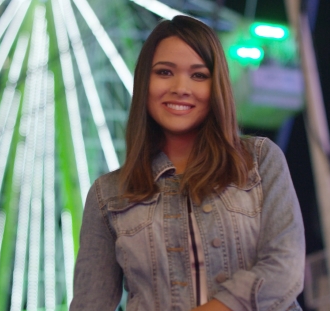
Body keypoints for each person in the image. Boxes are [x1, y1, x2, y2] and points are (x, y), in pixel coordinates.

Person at [70, 15, 305, 311]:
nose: (181, 87)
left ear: (216, 85)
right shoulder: (109, 195)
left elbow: (285, 267)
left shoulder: (259, 161)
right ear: (145, 82)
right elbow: (90, 303)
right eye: (165, 72)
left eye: (198, 75)